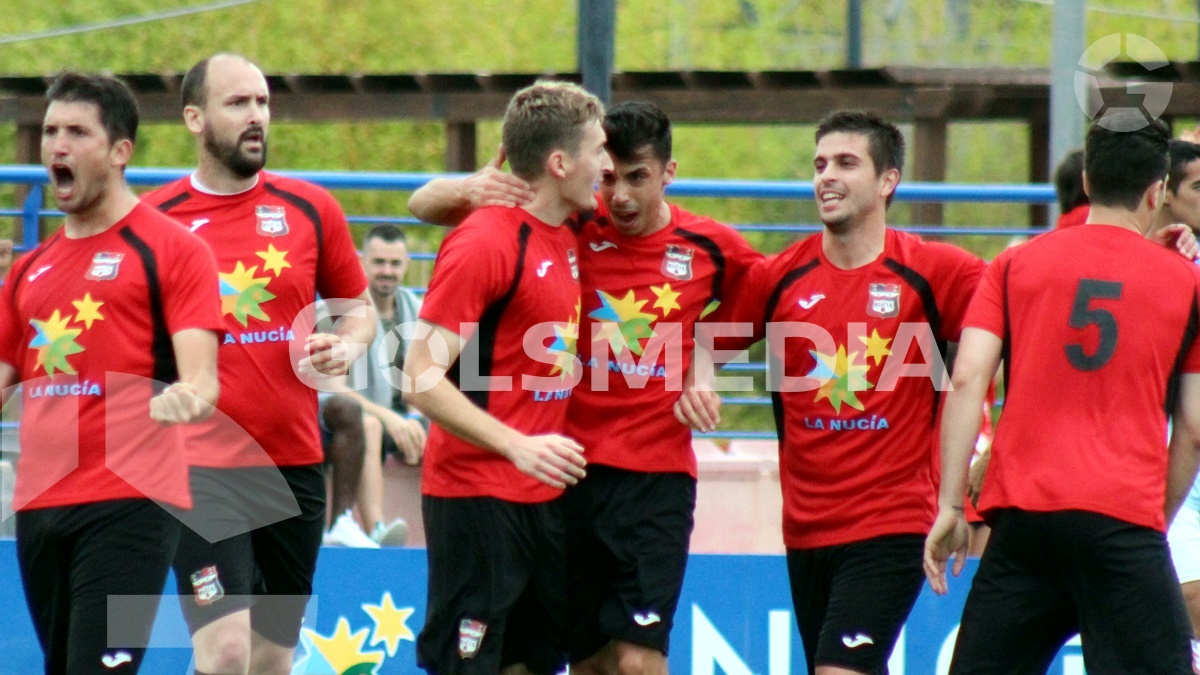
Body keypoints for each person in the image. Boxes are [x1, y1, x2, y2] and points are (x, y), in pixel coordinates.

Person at [409, 100, 761, 675]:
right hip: (539, 478)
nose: (613, 186)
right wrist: (471, 188)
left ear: (668, 173)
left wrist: (702, 356)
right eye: (602, 161)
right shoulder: (554, 225)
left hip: (612, 481)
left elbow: (771, 296)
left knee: (619, 661)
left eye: (634, 175)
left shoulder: (696, 243)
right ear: (559, 164)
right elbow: (423, 210)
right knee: (559, 660)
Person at [682, 110, 987, 675]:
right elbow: (703, 340)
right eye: (820, 164)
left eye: (847, 163)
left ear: (888, 181)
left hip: (892, 520)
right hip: (804, 529)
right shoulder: (780, 277)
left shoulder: (937, 272)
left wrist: (991, 448)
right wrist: (701, 372)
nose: (827, 176)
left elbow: (1026, 317)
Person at [925, 113, 1200, 673]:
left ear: (1088, 183)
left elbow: (967, 378)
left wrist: (952, 505)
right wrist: (1156, 521)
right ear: (1156, 192)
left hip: (1026, 525)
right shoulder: (1188, 283)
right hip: (1123, 522)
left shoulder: (1013, 263)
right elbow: (1194, 427)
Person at [143, 54, 375, 675]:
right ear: (194, 117)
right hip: (200, 469)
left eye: (263, 103)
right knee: (224, 654)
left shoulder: (310, 208)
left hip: (294, 465)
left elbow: (361, 312)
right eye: (238, 103)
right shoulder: (156, 222)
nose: (256, 117)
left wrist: (347, 345)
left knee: (272, 660)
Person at [0, 72, 222, 674]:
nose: (57, 147)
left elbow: (205, 378)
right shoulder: (30, 270)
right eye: (50, 132)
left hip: (132, 499)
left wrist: (187, 398)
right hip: (40, 505)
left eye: (77, 132)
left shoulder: (173, 250)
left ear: (121, 151)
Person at [402, 80, 605, 675]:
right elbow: (418, 378)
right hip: (476, 495)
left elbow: (425, 201)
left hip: (542, 497)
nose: (607, 165)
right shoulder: (485, 242)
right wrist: (517, 444)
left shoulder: (569, 230)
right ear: (560, 162)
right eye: (597, 150)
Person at [319, 223, 425, 547]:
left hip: (400, 415)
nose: (387, 272)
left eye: (395, 264)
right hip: (351, 412)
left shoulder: (416, 310)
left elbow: (423, 378)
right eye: (379, 263)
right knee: (370, 426)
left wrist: (414, 418)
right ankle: (375, 528)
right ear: (362, 262)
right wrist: (389, 417)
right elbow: (330, 387)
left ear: (407, 264)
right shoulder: (336, 312)